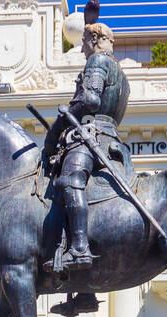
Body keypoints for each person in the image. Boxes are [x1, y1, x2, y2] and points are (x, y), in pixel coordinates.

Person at [43, 4, 129, 267]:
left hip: (93, 136)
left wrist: (63, 119)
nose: (81, 49)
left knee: (70, 180)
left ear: (94, 40)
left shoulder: (98, 61)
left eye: (84, 42)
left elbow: (91, 100)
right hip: (111, 138)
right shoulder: (121, 72)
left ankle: (79, 248)